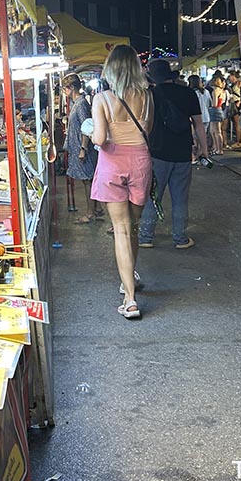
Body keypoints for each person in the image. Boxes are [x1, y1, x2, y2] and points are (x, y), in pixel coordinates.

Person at [90, 44, 153, 319]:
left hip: (112, 164)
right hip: (140, 162)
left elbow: (100, 139)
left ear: (110, 68)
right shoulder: (147, 96)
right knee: (134, 228)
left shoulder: (101, 98)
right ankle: (130, 277)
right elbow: (146, 131)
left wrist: (90, 132)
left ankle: (130, 298)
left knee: (121, 230)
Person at [138, 59, 201, 249]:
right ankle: (180, 238)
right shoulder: (188, 93)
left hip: (156, 153)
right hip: (182, 152)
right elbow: (198, 124)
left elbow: (144, 126)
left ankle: (146, 237)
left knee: (153, 196)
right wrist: (203, 148)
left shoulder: (149, 95)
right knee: (180, 197)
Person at [62, 74, 103, 223]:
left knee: (88, 180)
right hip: (78, 146)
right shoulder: (78, 103)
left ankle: (90, 213)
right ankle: (97, 209)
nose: (63, 91)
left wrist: (83, 148)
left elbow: (87, 126)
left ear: (71, 88)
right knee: (88, 179)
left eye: (64, 88)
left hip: (83, 148)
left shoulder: (80, 104)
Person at [187, 75, 212, 166]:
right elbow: (210, 104)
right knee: (203, 137)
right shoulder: (206, 92)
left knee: (194, 137)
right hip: (206, 116)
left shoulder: (191, 93)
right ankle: (202, 156)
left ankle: (196, 155)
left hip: (194, 117)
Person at [208, 74, 226, 155]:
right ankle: (217, 148)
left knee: (216, 131)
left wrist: (209, 105)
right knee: (214, 131)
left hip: (215, 111)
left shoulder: (215, 91)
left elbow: (214, 104)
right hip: (219, 110)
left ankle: (219, 149)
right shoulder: (222, 91)